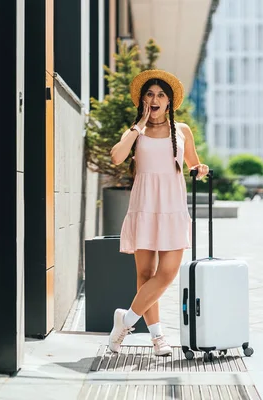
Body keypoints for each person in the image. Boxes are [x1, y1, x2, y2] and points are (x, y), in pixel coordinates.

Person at [108, 70, 209, 356]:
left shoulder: (182, 131)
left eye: (160, 95)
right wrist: (138, 125)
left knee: (166, 273)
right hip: (144, 206)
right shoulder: (135, 132)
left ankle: (125, 322)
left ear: (169, 103)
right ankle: (158, 338)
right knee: (145, 273)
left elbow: (193, 165)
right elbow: (116, 157)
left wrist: (200, 170)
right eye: (150, 95)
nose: (155, 99)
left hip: (172, 207)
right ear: (142, 100)